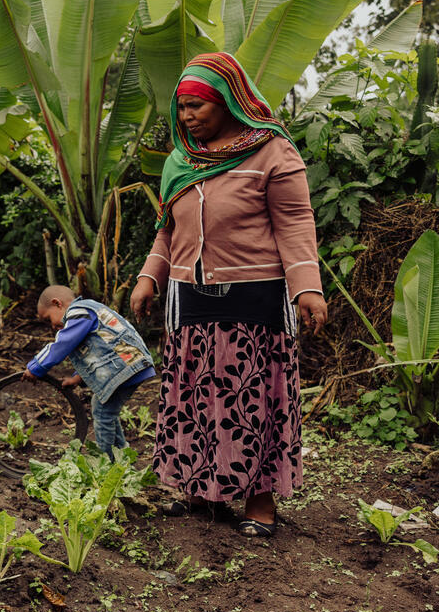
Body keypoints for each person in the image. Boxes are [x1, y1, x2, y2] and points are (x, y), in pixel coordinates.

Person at [130, 52, 328, 538]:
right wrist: (149, 276)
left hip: (255, 298)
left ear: (229, 102)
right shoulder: (181, 162)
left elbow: (295, 222)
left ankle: (259, 504)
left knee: (253, 398)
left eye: (197, 105)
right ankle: (199, 490)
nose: (187, 116)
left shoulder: (272, 153)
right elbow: (166, 230)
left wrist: (307, 287)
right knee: (195, 395)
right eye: (181, 107)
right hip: (189, 297)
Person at [22, 285, 156, 460]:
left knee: (102, 411)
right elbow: (97, 351)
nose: (52, 326)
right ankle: (122, 457)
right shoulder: (88, 311)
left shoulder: (78, 311)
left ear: (57, 304)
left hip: (126, 365)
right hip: (129, 364)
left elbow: (62, 344)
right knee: (106, 408)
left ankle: (108, 463)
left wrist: (36, 366)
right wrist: (76, 379)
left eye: (49, 319)